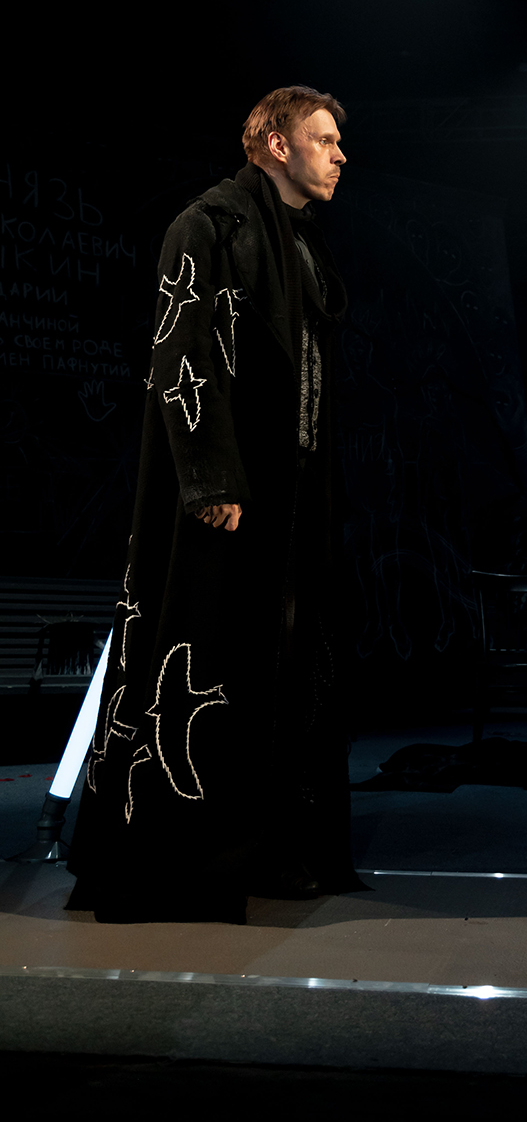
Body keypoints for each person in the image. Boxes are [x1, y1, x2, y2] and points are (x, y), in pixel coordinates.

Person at [67, 85, 366, 922]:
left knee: (283, 668)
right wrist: (209, 479)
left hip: (293, 494)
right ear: (276, 144)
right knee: (203, 665)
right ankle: (185, 857)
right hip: (230, 496)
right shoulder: (208, 224)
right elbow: (181, 355)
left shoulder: (302, 244)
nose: (340, 154)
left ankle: (270, 844)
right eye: (324, 139)